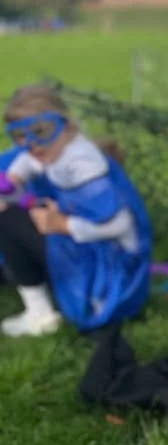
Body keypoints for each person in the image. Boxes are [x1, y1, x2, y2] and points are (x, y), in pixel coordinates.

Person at [0, 84, 153, 337]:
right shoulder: (61, 150)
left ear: (66, 126)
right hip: (99, 259)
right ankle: (40, 305)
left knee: (6, 219)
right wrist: (15, 178)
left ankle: (40, 315)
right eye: (21, 136)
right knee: (11, 210)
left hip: (112, 278)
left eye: (41, 132)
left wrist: (61, 225)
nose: (33, 144)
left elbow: (121, 225)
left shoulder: (83, 165)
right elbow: (28, 160)